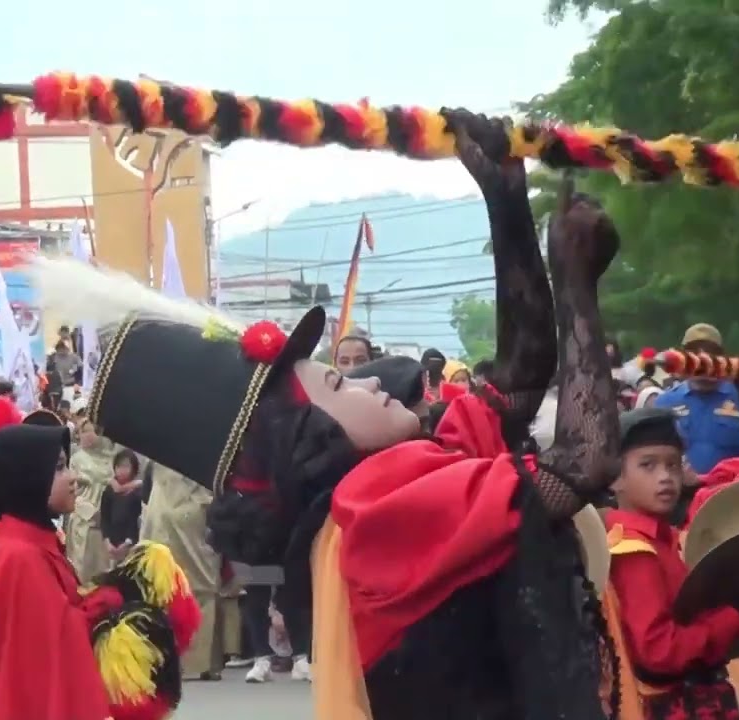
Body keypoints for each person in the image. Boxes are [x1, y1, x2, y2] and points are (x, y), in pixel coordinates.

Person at [34, 110, 620, 719]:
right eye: (343, 386)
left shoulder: (388, 486)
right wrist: (576, 287)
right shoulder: (374, 507)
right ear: (309, 439)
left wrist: (503, 197)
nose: (373, 387)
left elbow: (520, 377)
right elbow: (585, 460)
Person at [601, 407, 739, 718]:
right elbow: (659, 651)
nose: (665, 477)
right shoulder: (634, 550)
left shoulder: (661, 538)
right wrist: (736, 617)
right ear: (615, 479)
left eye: (673, 465)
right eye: (647, 465)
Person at [0, 423, 110, 720]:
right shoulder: (21, 554)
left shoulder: (33, 540)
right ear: (26, 478)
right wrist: (110, 604)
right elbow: (56, 639)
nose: (74, 478)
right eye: (59, 468)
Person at [139, 459, 229, 681]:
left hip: (192, 519)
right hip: (160, 518)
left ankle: (204, 661)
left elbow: (212, 487)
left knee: (201, 586)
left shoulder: (202, 450)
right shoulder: (156, 455)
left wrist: (196, 506)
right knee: (163, 588)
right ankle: (167, 660)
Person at [653, 324, 739, 473]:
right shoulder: (664, 403)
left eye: (711, 353)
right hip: (681, 492)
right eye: (693, 353)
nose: (701, 360)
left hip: (731, 491)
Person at [67, 418, 114, 579]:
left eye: (88, 431)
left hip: (110, 525)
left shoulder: (114, 458)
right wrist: (91, 512)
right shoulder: (77, 459)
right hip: (85, 522)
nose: (84, 436)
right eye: (81, 432)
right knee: (83, 572)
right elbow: (72, 492)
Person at [99, 448, 145, 566]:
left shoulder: (138, 492)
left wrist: (128, 542)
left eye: (126, 466)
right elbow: (105, 517)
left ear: (133, 469)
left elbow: (136, 521)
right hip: (112, 546)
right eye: (119, 466)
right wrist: (107, 542)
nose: (122, 470)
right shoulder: (109, 490)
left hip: (132, 546)